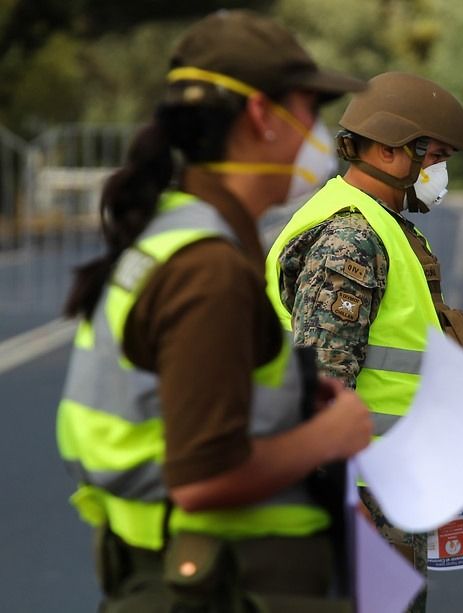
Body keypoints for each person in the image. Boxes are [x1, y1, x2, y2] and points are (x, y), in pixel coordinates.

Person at [55, 10, 373, 612]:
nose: (317, 130)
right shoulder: (210, 269)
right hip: (219, 589)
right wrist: (327, 437)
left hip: (193, 580)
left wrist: (290, 410)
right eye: (308, 107)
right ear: (262, 116)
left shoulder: (182, 234)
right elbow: (202, 478)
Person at [265, 71, 463, 613]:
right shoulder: (351, 238)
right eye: (435, 155)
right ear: (391, 151)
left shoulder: (382, 226)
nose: (440, 171)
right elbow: (319, 388)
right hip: (360, 493)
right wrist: (347, 513)